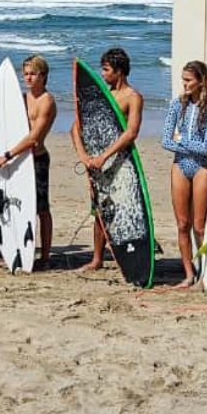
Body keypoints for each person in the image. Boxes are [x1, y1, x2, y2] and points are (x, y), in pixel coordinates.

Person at [72, 48, 144, 273]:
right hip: (97, 164)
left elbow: (131, 132)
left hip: (121, 162)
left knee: (126, 208)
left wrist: (105, 156)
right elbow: (76, 128)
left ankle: (132, 254)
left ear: (119, 71)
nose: (102, 74)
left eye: (106, 69)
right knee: (100, 211)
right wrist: (84, 156)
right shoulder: (103, 96)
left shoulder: (133, 97)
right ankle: (97, 259)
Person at [0, 55, 57, 268]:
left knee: (41, 208)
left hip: (36, 160)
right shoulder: (21, 98)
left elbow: (33, 137)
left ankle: (45, 256)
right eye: (25, 73)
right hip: (18, 160)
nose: (28, 78)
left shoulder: (47, 101)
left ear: (43, 76)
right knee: (14, 205)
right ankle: (14, 251)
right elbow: (4, 128)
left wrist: (7, 156)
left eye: (33, 74)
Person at [160, 60, 207, 288]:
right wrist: (185, 144)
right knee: (182, 224)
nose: (184, 84)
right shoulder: (178, 104)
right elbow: (165, 140)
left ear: (201, 81)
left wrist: (182, 141)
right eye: (183, 80)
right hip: (181, 165)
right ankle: (189, 273)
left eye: (188, 80)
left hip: (204, 166)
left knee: (200, 225)